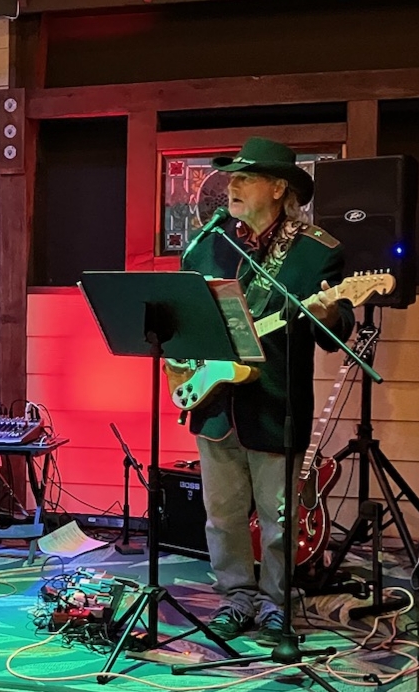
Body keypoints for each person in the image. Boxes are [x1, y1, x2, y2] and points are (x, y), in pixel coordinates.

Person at [182, 137, 354, 646]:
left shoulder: (316, 252)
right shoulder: (207, 244)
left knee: (280, 523)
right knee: (222, 517)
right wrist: (180, 363)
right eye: (232, 177)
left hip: (276, 405)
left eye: (246, 177)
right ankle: (235, 598)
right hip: (214, 405)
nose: (232, 186)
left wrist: (330, 314)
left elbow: (335, 333)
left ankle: (276, 603)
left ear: (279, 189)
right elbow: (184, 320)